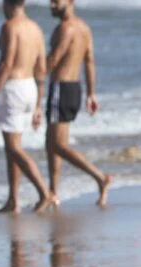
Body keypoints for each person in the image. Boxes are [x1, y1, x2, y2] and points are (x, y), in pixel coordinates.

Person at [0, 0, 56, 214]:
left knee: (14, 148)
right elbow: (41, 67)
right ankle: (13, 200)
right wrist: (38, 104)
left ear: (7, 4)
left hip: (14, 87)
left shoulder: (10, 27)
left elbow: (6, 64)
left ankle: (44, 192)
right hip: (30, 87)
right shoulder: (36, 28)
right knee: (13, 148)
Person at [45, 0, 112, 207]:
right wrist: (91, 93)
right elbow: (89, 60)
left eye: (56, 1)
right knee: (54, 143)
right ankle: (53, 193)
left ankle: (99, 177)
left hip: (60, 87)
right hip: (74, 88)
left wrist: (32, 78)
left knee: (56, 145)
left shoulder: (65, 29)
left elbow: (53, 60)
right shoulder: (84, 27)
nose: (52, 5)